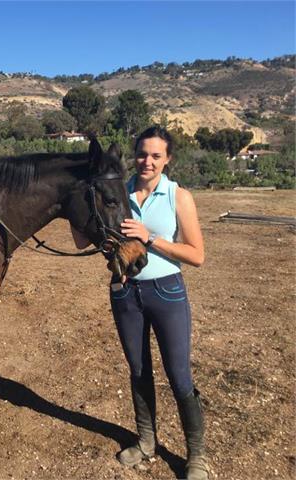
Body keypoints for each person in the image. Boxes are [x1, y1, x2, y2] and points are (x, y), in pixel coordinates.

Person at [110, 126, 208, 479]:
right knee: (138, 371)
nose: (147, 161)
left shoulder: (177, 196)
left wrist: (150, 238)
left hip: (166, 291)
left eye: (155, 156)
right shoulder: (120, 193)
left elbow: (197, 255)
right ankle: (147, 441)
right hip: (124, 293)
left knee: (179, 375)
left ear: (167, 159)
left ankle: (196, 456)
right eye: (141, 154)